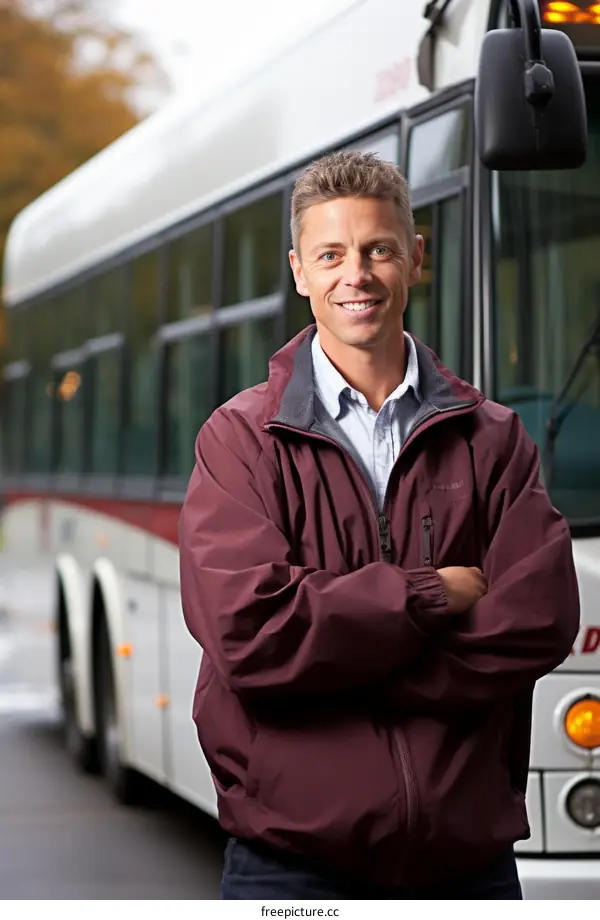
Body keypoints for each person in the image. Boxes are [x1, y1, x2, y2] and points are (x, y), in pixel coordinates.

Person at [178, 151, 580, 900]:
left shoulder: (492, 437)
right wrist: (428, 598)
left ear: (416, 259)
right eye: (331, 254)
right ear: (300, 271)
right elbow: (249, 636)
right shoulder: (240, 438)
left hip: (468, 866)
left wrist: (340, 661)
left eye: (378, 250)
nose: (354, 274)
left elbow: (539, 620)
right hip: (292, 864)